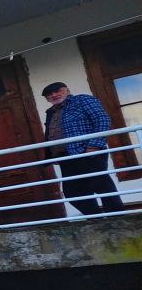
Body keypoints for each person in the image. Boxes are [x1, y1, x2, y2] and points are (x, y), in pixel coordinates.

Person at [41, 82, 125, 215]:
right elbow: (52, 133)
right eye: (49, 94)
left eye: (57, 91)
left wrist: (94, 145)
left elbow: (102, 120)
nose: (54, 95)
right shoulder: (51, 112)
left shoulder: (82, 100)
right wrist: (53, 154)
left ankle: (118, 217)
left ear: (67, 90)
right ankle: (95, 219)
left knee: (101, 185)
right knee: (72, 192)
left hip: (87, 151)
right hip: (65, 156)